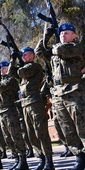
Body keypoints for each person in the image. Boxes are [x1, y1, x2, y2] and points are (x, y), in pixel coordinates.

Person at [34, 22, 85, 170]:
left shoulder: (76, 48)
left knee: (81, 126)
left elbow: (60, 50)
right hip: (58, 94)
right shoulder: (56, 51)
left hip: (75, 92)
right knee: (67, 129)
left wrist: (53, 44)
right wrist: (45, 36)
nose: (63, 34)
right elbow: (39, 52)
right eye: (61, 33)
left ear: (74, 35)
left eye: (67, 32)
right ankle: (80, 157)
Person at [8, 47, 55, 170]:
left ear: (32, 56)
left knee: (41, 132)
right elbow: (10, 73)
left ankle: (49, 161)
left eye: (26, 54)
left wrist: (17, 61)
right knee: (31, 134)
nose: (23, 56)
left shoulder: (34, 67)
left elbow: (20, 73)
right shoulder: (24, 69)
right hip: (25, 104)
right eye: (22, 55)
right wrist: (12, 60)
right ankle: (41, 158)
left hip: (35, 102)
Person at [0, 61, 29, 170]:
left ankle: (23, 160)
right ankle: (16, 159)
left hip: (10, 110)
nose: (3, 70)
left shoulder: (11, 80)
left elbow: (0, 87)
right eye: (1, 68)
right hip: (1, 112)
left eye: (5, 68)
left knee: (15, 135)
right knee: (8, 137)